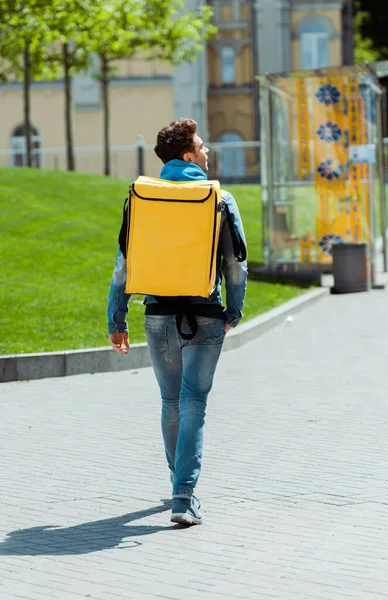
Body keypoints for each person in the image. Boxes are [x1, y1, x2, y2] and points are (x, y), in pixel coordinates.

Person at [107, 118, 247, 526]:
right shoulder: (219, 198)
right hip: (205, 316)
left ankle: (177, 485)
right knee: (194, 402)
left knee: (172, 401)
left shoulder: (141, 197)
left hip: (157, 317)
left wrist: (117, 318)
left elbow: (123, 266)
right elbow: (235, 267)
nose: (207, 153)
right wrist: (232, 314)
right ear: (188, 155)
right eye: (202, 147)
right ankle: (184, 496)